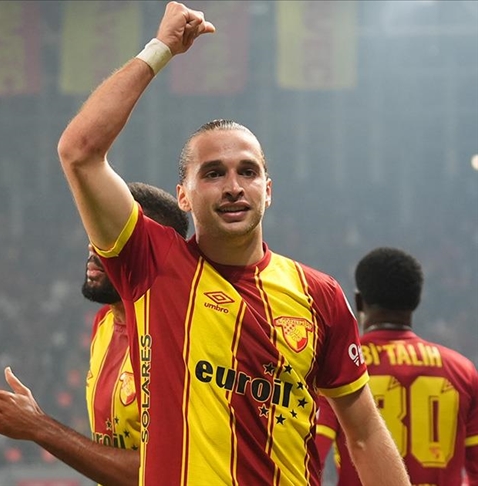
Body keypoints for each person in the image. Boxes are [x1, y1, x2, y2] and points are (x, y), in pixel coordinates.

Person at [54, 2, 411, 485]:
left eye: (248, 171)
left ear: (268, 189)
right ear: (183, 195)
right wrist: (160, 50)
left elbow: (363, 432)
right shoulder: (153, 265)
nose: (233, 187)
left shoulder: (319, 295)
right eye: (213, 173)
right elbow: (79, 151)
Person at [0, 182, 189, 486]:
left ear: (154, 251)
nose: (95, 246)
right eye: (95, 230)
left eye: (113, 235)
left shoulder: (179, 338)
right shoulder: (104, 322)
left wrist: (39, 426)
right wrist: (36, 420)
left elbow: (159, 472)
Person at [315, 247, 478, 486]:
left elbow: (311, 455)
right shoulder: (463, 371)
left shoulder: (342, 363)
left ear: (359, 301)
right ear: (416, 301)